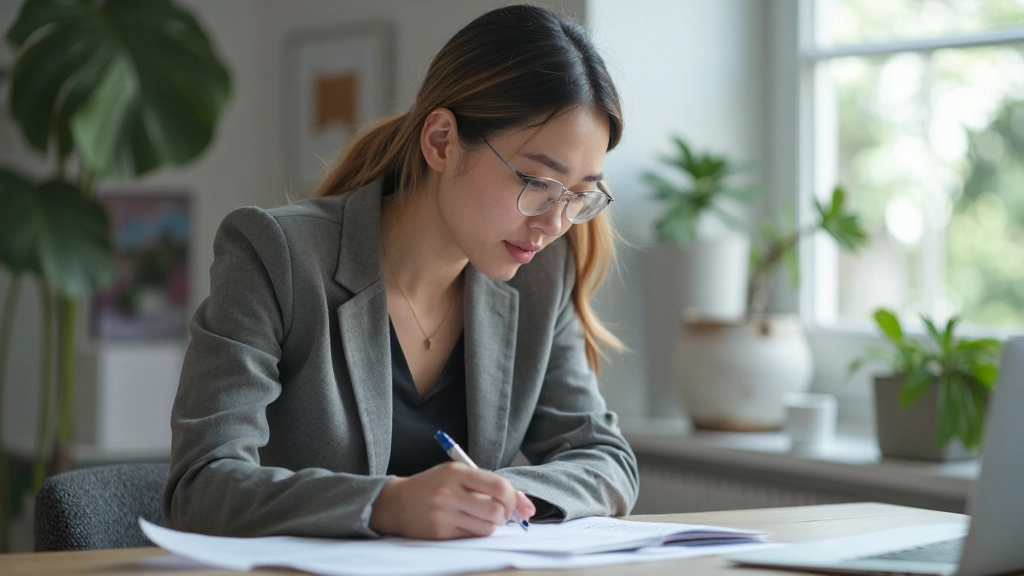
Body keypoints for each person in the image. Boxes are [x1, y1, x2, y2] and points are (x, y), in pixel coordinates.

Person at [163, 4, 638, 541]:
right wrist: (385, 505)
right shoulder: (277, 255)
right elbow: (200, 485)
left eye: (579, 195)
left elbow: (606, 460)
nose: (554, 223)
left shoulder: (542, 278)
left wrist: (492, 499)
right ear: (441, 141)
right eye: (534, 181)